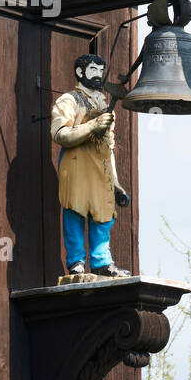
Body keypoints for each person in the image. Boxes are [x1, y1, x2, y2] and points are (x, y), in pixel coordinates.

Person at [50, 54, 131, 279]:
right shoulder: (69, 100)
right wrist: (92, 125)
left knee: (104, 214)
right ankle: (76, 261)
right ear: (80, 72)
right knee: (75, 210)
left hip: (101, 167)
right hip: (77, 165)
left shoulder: (105, 104)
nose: (98, 75)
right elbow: (60, 135)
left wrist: (116, 183)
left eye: (100, 70)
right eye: (93, 70)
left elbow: (109, 146)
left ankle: (102, 261)